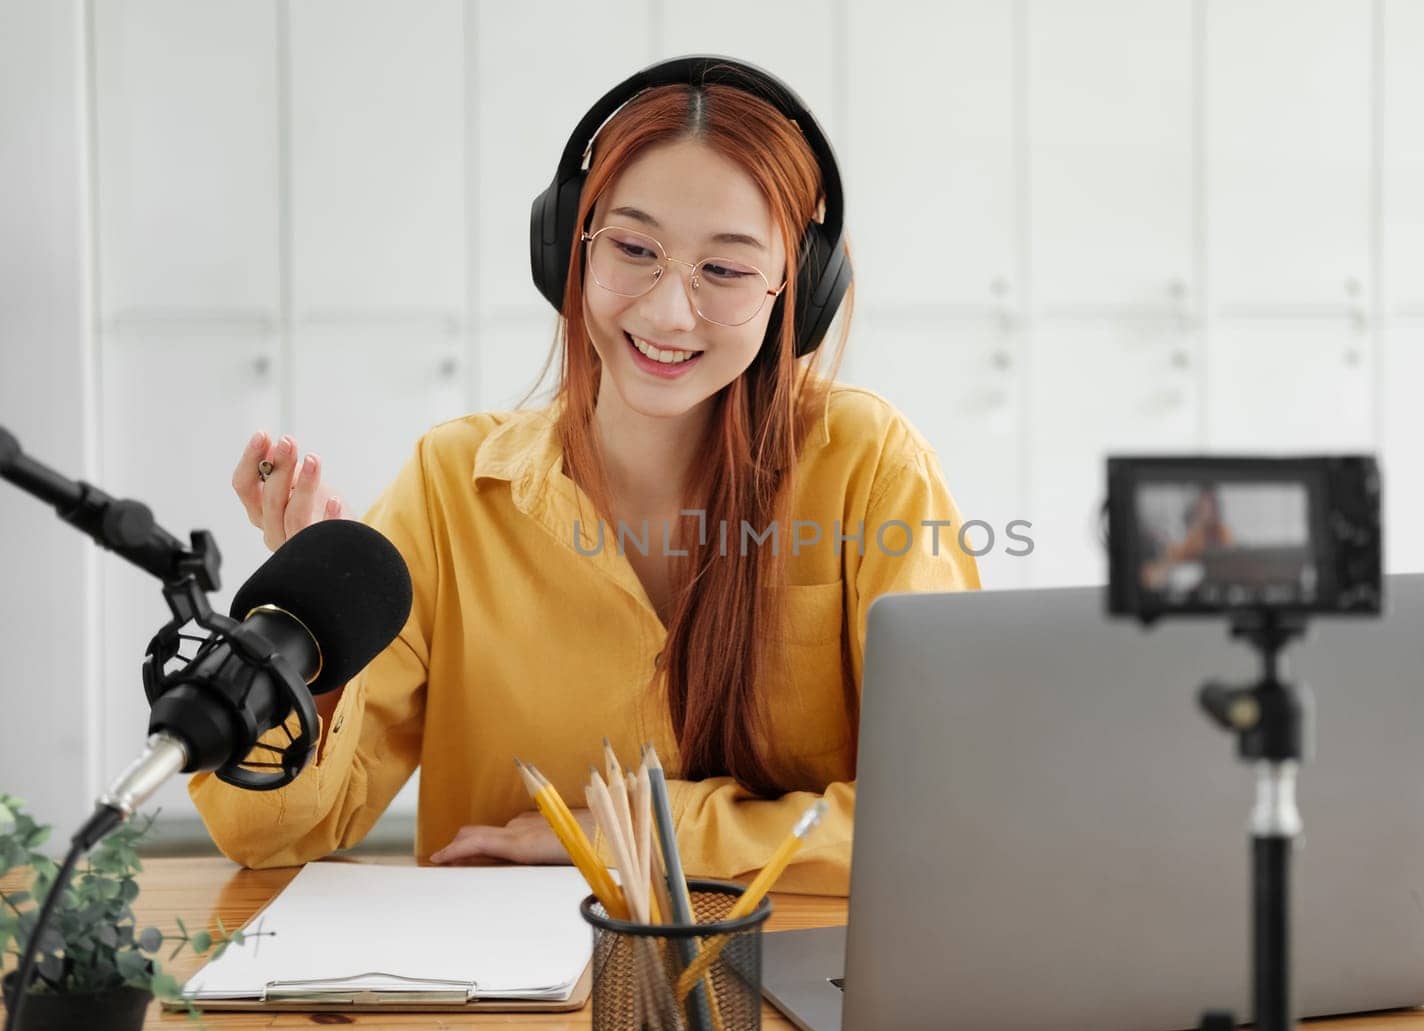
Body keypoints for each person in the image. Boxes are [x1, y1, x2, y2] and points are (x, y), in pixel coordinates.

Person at [188, 59, 980, 896]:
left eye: (726, 269)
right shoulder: (451, 487)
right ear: (570, 246)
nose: (669, 312)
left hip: (798, 994)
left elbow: (955, 814)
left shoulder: (869, 468)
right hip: (520, 1011)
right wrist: (313, 645)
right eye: (634, 249)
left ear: (797, 292)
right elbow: (265, 835)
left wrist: (635, 830)